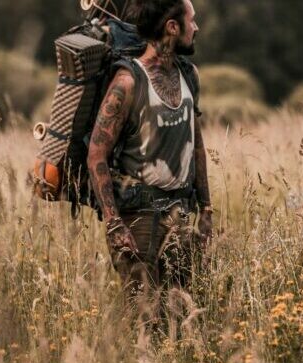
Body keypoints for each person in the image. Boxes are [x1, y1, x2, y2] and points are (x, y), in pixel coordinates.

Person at [86, 0, 213, 327]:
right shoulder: (128, 83)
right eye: (191, 21)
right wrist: (114, 225)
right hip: (137, 222)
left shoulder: (189, 75)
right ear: (172, 28)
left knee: (182, 323)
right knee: (147, 326)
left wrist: (207, 210)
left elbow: (196, 144)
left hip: (181, 218)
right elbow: (96, 154)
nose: (196, 28)